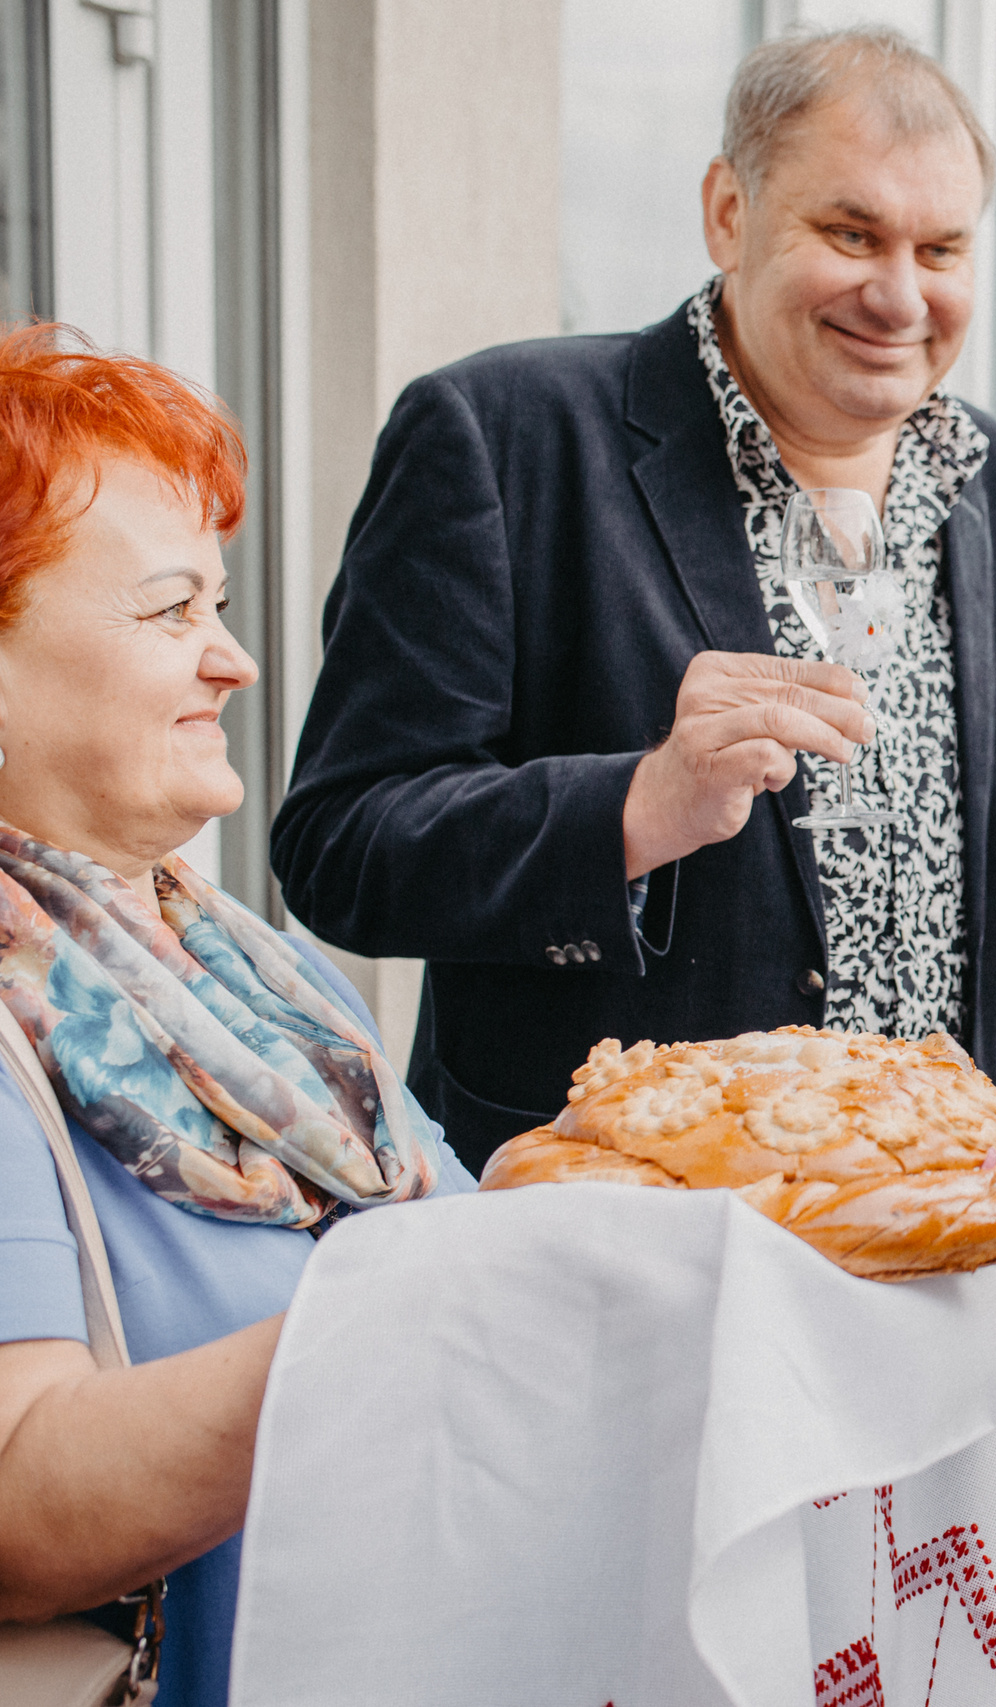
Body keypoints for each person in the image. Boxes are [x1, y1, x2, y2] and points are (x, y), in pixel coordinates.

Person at [271, 27, 996, 1167]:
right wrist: (639, 805)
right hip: (626, 1226)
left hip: (928, 1204)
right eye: (851, 233)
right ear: (729, 210)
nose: (901, 295)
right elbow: (341, 847)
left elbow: (950, 858)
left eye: (943, 249)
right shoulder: (503, 436)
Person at [0, 327, 473, 1706]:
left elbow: (462, 1223)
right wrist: (390, 1328)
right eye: (169, 612)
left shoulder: (245, 963)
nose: (237, 661)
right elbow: (20, 1500)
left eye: (217, 604)